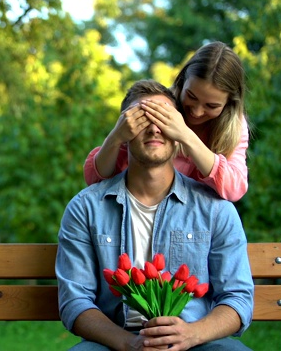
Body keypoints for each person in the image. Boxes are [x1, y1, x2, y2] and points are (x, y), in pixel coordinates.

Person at [56, 80, 254, 350]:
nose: (153, 127)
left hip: (195, 339)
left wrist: (191, 334)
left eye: (164, 118)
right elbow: (75, 300)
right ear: (124, 131)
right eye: (141, 118)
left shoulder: (216, 209)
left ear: (180, 132)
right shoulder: (85, 208)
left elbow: (238, 298)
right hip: (116, 341)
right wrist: (130, 343)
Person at [83, 41, 249, 202]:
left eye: (211, 106)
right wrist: (116, 137)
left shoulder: (234, 127)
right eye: (191, 96)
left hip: (196, 220)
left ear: (229, 103)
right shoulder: (159, 106)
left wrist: (186, 136)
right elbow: (95, 178)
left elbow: (234, 189)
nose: (197, 112)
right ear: (182, 82)